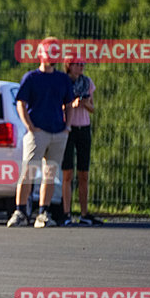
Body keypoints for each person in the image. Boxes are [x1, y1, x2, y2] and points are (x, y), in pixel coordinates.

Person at [7, 37, 75, 228]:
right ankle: (20, 212)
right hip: (37, 132)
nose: (52, 56)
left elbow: (69, 104)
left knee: (50, 173)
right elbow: (21, 103)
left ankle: (43, 213)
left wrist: (67, 127)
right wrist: (29, 126)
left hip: (58, 132)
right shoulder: (31, 78)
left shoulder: (62, 79)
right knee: (29, 172)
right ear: (41, 54)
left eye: (55, 52)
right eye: (50, 51)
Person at [62, 57, 102, 226]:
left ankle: (84, 213)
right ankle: (66, 213)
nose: (81, 67)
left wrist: (85, 104)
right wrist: (72, 104)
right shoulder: (64, 82)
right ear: (69, 66)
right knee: (67, 173)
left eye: (83, 64)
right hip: (68, 128)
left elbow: (93, 107)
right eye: (78, 65)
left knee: (84, 173)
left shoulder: (87, 83)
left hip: (84, 128)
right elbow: (60, 105)